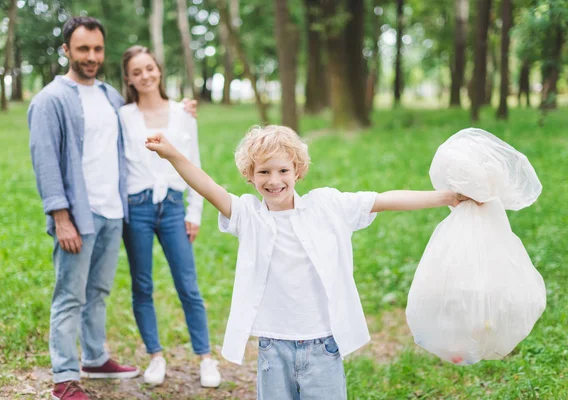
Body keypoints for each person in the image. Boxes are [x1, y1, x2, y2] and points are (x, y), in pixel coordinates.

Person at [144, 125, 475, 399]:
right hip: (274, 346)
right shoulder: (248, 215)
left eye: (283, 170)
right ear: (250, 175)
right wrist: (172, 153)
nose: (274, 180)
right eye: (264, 172)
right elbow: (207, 187)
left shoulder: (327, 206)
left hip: (323, 345)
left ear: (298, 171)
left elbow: (384, 200)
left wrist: (447, 197)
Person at [28, 17, 196, 400]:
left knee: (99, 290)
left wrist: (182, 110)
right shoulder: (50, 100)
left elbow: (145, 117)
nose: (91, 56)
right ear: (66, 50)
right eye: (83, 48)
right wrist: (60, 216)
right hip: (77, 215)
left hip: (113, 212)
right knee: (70, 294)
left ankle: (95, 357)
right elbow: (45, 162)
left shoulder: (109, 96)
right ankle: (64, 378)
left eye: (97, 49)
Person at [118, 45, 221, 387]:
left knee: (187, 284)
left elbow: (193, 162)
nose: (145, 76)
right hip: (137, 208)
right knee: (142, 285)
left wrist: (195, 211)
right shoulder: (124, 115)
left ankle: (205, 358)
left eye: (149, 68)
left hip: (174, 206)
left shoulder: (183, 114)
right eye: (137, 72)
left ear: (158, 70)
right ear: (129, 80)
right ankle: (155, 356)